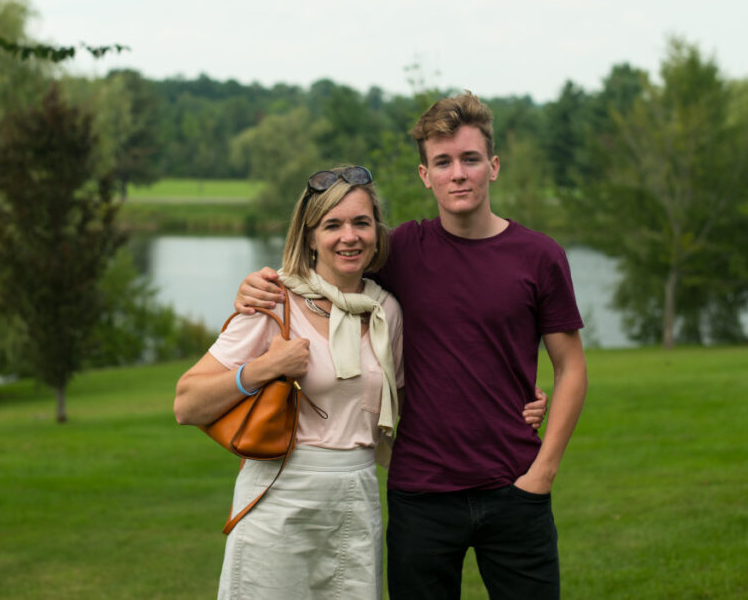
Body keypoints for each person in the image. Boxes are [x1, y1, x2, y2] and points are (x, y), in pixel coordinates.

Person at [236, 92, 588, 600]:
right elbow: (326, 261)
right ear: (426, 175)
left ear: (493, 166)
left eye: (470, 159)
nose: (458, 174)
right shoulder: (398, 251)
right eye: (442, 162)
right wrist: (257, 285)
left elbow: (571, 369)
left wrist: (544, 471)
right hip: (421, 494)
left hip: (516, 485)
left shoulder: (540, 256)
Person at [174, 165, 403, 599]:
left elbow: (411, 407)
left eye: (361, 222)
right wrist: (262, 369)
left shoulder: (385, 311)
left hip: (357, 499)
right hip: (279, 495)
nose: (348, 236)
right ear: (310, 236)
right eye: (332, 225)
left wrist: (514, 405)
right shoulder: (273, 299)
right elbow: (187, 403)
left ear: (377, 232)